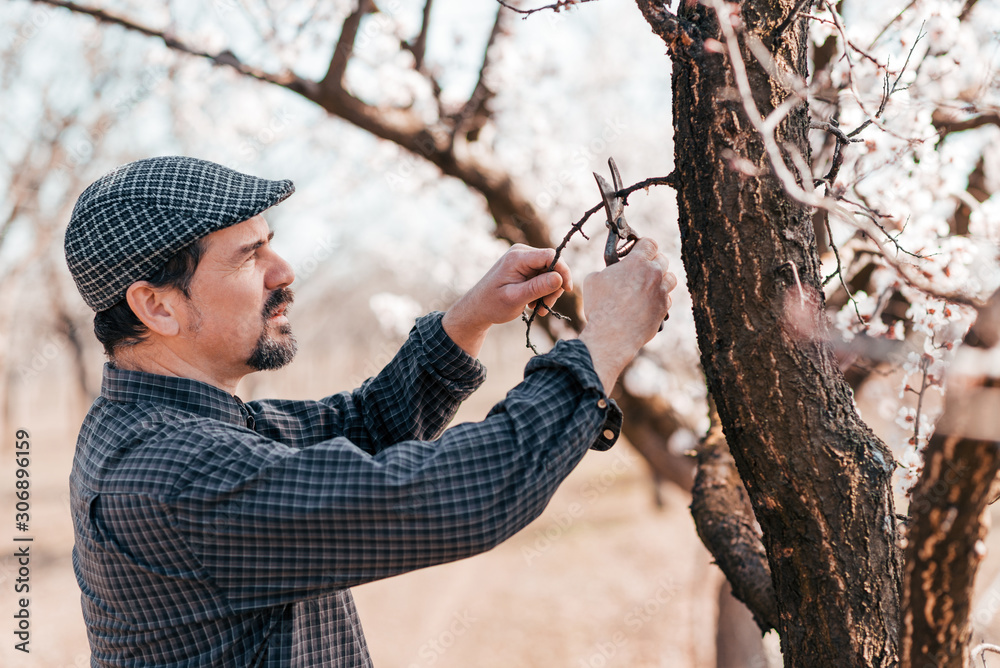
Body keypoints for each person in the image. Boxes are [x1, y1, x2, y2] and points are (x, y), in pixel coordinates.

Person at [64, 156, 676, 667]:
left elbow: (361, 430)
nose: (284, 271)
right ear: (158, 307)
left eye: (271, 244)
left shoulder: (178, 424)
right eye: (250, 257)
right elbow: (449, 498)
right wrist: (604, 344)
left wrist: (467, 320)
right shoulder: (173, 476)